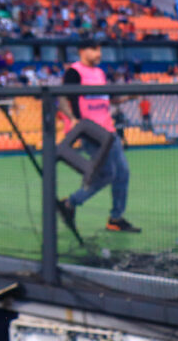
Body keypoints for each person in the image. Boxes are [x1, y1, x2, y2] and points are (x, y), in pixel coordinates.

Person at [56, 40, 140, 233]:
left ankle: (111, 216)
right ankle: (72, 203)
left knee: (120, 173)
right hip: (90, 132)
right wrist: (73, 119)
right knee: (108, 174)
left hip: (108, 131)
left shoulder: (100, 73)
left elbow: (108, 99)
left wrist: (130, 96)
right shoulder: (74, 72)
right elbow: (61, 98)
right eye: (94, 49)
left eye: (100, 49)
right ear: (82, 51)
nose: (99, 53)